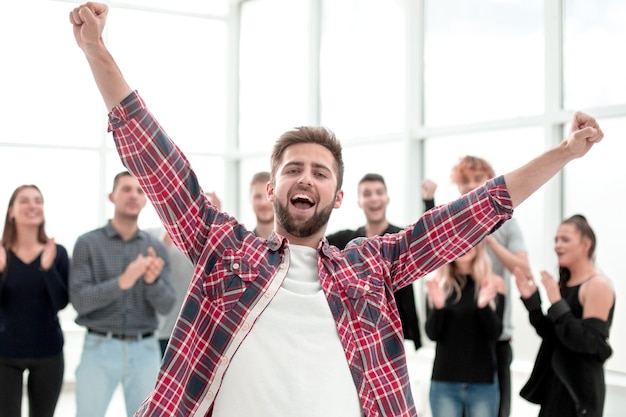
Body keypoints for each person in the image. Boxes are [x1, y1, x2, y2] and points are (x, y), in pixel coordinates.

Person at [69, 3, 604, 416]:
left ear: (338, 197)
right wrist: (96, 48)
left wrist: (564, 152)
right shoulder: (225, 248)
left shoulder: (369, 265)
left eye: (320, 172)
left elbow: (473, 212)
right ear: (275, 186)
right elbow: (155, 157)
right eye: (293, 169)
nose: (306, 178)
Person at [69, 171, 176, 417]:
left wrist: (151, 282)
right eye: (126, 189)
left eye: (139, 191)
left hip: (145, 349)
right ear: (111, 196)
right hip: (98, 348)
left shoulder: (156, 248)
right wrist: (123, 281)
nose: (133, 195)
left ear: (146, 199)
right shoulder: (87, 244)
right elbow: (80, 301)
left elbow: (167, 305)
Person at [447, 155, 530, 417]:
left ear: (489, 181)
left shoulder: (507, 223)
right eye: (465, 181)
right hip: (459, 338)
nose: (471, 186)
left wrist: (489, 238)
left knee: (498, 411)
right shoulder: (451, 222)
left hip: (496, 336)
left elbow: (523, 269)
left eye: (477, 179)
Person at [513, 214, 614, 417]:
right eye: (556, 240)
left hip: (579, 394)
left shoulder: (597, 285)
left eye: (565, 239)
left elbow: (590, 342)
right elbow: (553, 335)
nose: (558, 245)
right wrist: (533, 301)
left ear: (587, 244)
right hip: (555, 386)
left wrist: (557, 303)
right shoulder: (564, 284)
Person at [327, 173, 422, 350]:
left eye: (379, 192)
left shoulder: (400, 238)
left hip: (398, 336)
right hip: (359, 338)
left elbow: (429, 239)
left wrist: (428, 200)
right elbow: (314, 241)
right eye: (367, 194)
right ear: (359, 202)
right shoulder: (347, 241)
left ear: (387, 199)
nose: (374, 198)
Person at [0, 185, 69, 417]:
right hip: (4, 354)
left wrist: (47, 269)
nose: (33, 206)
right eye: (25, 201)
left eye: (38, 200)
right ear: (11, 211)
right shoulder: (1, 253)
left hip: (48, 353)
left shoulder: (57, 252)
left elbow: (61, 302)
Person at [425, 241, 505, 417]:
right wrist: (439, 308)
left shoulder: (493, 283)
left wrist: (483, 307)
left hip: (482, 383)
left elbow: (496, 333)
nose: (463, 247)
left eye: (470, 240)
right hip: (445, 382)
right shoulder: (437, 283)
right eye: (457, 241)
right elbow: (432, 334)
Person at [155, 192, 221, 356]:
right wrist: (171, 223)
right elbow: (157, 260)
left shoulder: (210, 237)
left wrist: (218, 216)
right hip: (168, 330)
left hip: (202, 332)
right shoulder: (162, 236)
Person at [249, 171, 274, 238]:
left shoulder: (295, 244)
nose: (263, 203)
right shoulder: (242, 246)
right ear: (250, 199)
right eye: (258, 196)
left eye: (268, 195)